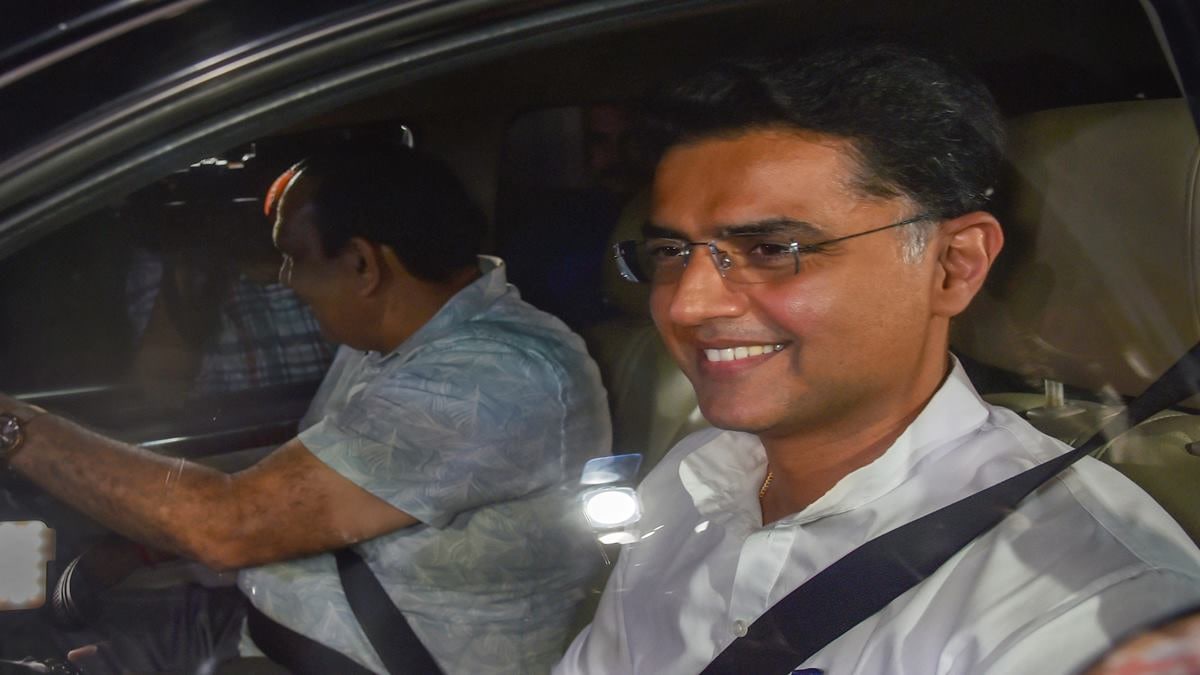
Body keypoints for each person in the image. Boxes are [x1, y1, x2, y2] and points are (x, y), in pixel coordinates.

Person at [554, 44, 1200, 674]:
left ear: (954, 265)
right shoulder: (693, 475)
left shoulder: (1086, 604)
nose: (688, 304)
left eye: (773, 248)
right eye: (671, 253)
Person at [0, 143, 611, 674]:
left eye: (294, 256)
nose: (284, 279)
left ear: (363, 264)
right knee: (22, 629)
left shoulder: (493, 377)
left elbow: (230, 525)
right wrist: (132, 548)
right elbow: (293, 493)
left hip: (345, 661)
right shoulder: (397, 343)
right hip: (265, 622)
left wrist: (15, 430)